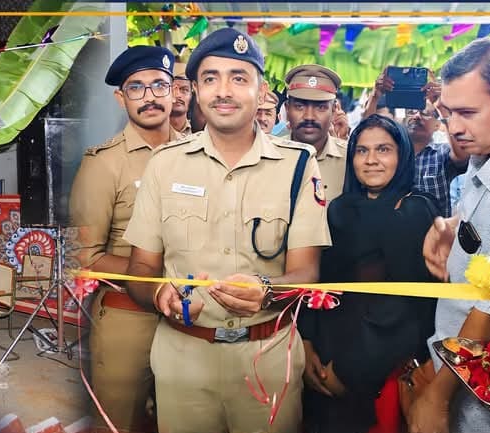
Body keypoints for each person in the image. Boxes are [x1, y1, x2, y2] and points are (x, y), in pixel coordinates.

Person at [121, 28, 331, 433]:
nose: (223, 91)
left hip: (267, 359)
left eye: (238, 77)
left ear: (262, 91)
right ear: (195, 91)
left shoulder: (298, 165)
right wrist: (160, 294)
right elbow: (141, 269)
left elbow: (307, 272)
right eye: (210, 78)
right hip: (182, 360)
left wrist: (267, 290)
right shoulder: (165, 164)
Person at [299, 114, 439, 433]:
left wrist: (348, 371)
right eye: (362, 151)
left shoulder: (415, 210)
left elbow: (405, 308)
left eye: (383, 150)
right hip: (324, 355)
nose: (371, 160)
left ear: (402, 156)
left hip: (378, 366)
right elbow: (319, 281)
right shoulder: (339, 209)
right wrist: (307, 345)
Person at [69, 45, 180, 433]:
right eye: (136, 88)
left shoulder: (197, 153)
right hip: (128, 319)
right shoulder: (103, 163)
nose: (149, 97)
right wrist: (159, 277)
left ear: (174, 91)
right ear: (121, 98)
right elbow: (86, 255)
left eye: (159, 85)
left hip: (191, 319)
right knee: (119, 424)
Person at [415, 37, 490, 433]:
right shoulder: (484, 158)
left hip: (476, 399)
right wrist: (450, 226)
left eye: (468, 113)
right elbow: (483, 224)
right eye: (448, 113)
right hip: (452, 369)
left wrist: (436, 397)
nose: (454, 128)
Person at [283, 65, 349, 203]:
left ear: (334, 110)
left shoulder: (350, 160)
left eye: (321, 107)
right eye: (299, 106)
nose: (309, 117)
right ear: (287, 109)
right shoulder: (269, 156)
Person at [169, 61, 193, 137]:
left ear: (191, 95)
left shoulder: (202, 133)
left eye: (184, 90)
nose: (178, 95)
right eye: (172, 90)